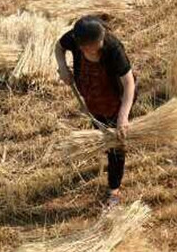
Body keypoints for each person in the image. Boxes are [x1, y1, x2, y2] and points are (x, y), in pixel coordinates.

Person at [54, 16, 136, 207]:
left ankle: (114, 190)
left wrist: (123, 116)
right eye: (93, 45)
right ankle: (108, 153)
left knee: (116, 145)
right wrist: (62, 67)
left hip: (116, 99)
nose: (99, 44)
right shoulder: (75, 38)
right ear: (82, 45)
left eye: (99, 41)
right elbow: (59, 47)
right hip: (92, 98)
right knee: (103, 137)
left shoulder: (113, 48)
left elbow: (129, 83)